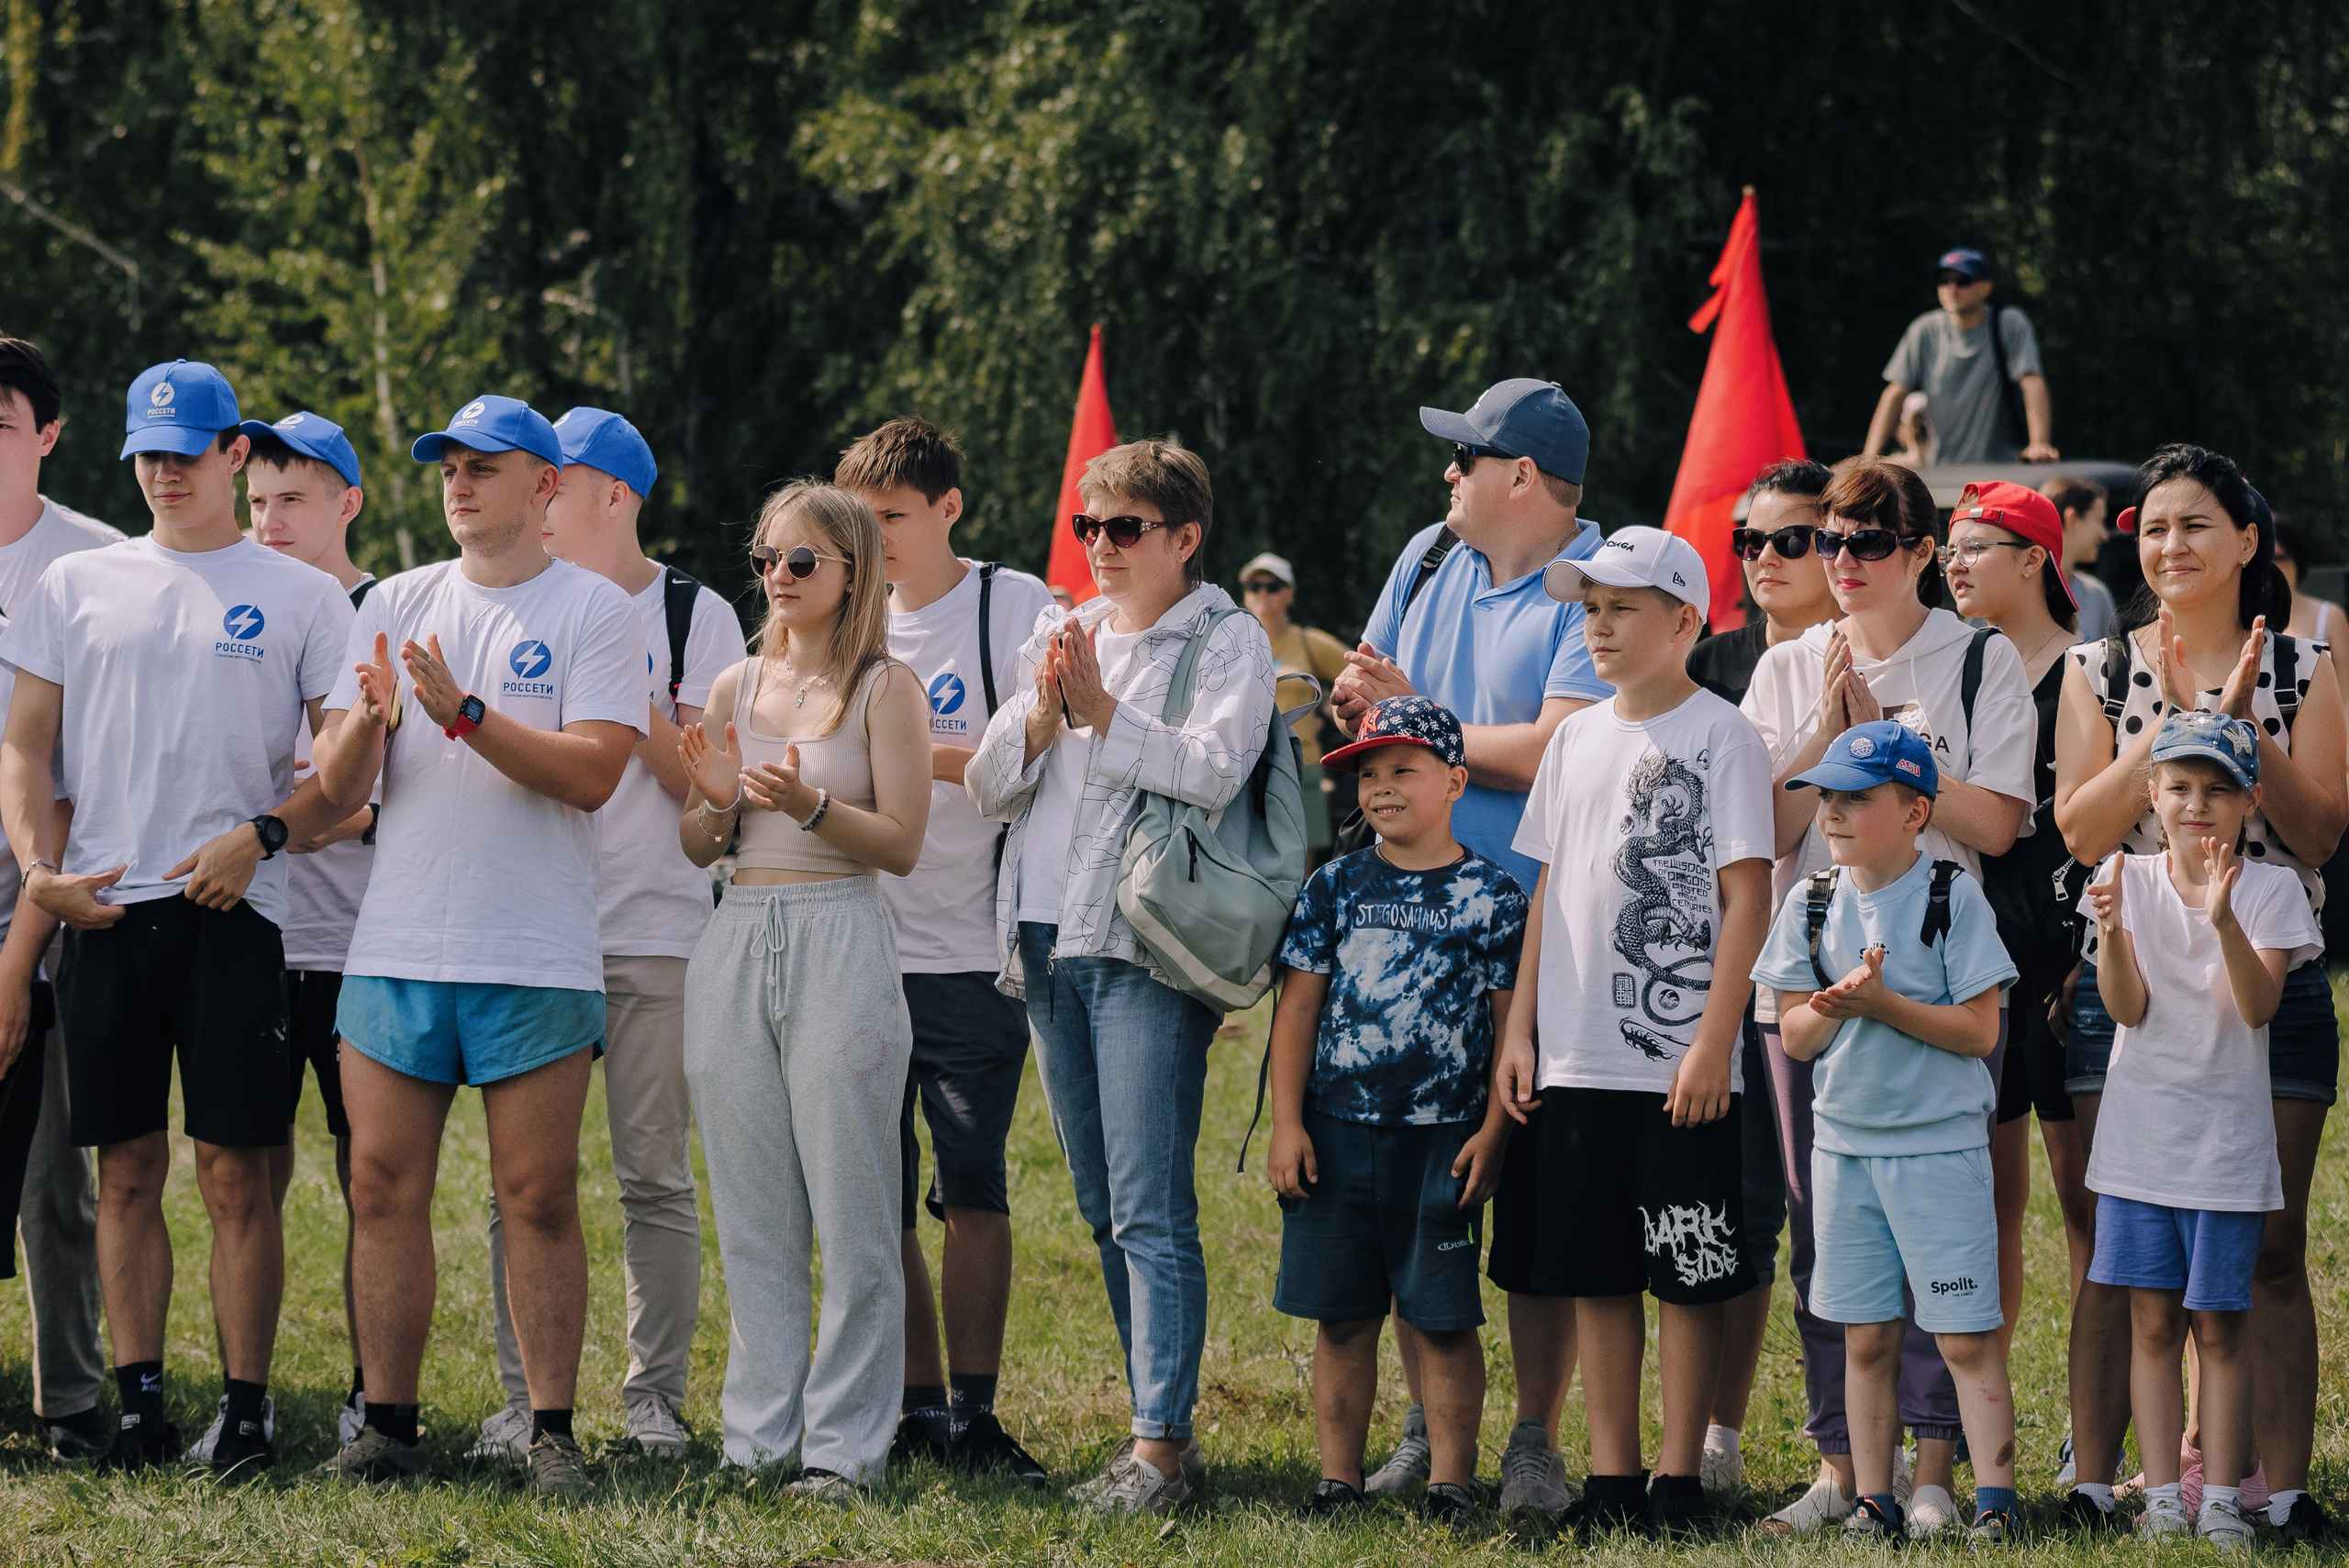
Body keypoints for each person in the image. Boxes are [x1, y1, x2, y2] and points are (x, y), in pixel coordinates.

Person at [0, 360, 355, 1476]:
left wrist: (267, 830)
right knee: (124, 1171)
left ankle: (244, 1412)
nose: (163, 471)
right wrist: (34, 871)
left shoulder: (300, 592)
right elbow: (24, 746)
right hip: (103, 912)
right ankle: (143, 1404)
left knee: (235, 1172)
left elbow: (343, 769)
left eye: (185, 451)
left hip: (236, 911)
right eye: (146, 452)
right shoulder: (79, 583)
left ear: (234, 452)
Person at [306, 395, 647, 1496]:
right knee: (382, 1186)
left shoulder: (595, 610)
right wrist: (365, 722)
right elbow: (341, 795)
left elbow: (593, 772)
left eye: (485, 466)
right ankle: (389, 1427)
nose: (459, 481)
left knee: (537, 1194)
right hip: (398, 943)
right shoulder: (395, 602)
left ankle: (552, 1432)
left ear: (545, 486)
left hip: (533, 950)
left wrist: (461, 712)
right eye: (448, 464)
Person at [967, 440, 1276, 1515]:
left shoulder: (1228, 637)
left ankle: (1158, 1446)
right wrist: (1049, 710)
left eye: (1125, 529)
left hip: (1142, 945)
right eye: (1088, 527)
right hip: (1043, 939)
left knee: (1149, 1202)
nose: (1099, 547)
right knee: (1100, 1203)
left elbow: (1213, 770)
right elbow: (986, 782)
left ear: (1184, 539)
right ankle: (1155, 1431)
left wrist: (1108, 716)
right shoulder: (1065, 633)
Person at [2051, 445, 2343, 1542]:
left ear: (2246, 543)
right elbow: (2080, 829)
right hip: (2127, 976)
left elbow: (2318, 833)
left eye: (2192, 525)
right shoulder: (2095, 667)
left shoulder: (2309, 662)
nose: (2167, 545)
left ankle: (2274, 1487)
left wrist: (2237, 727)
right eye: (2152, 527)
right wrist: (2167, 726)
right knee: (2111, 1237)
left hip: (2265, 975)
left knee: (2266, 1241)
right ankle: (2092, 1481)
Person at [1740, 457, 2036, 1538]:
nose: (1843, 562)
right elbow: (1767, 833)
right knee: (1829, 1234)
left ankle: (1933, 1462)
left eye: (1870, 542)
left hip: (1946, 979)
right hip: (1813, 982)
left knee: (1939, 1226)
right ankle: (1841, 1467)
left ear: (1922, 551)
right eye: (1829, 540)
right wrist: (1826, 738)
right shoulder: (1782, 667)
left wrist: (1892, 748)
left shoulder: (1974, 658)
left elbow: (2000, 822)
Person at [1336, 379, 1608, 1515]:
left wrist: (1418, 713)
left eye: (1466, 458)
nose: (1446, 476)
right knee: (1414, 1187)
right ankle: (1427, 1423)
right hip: (1407, 918)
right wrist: (1373, 701)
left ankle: (1535, 1440)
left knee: (1537, 1207)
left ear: (1525, 480)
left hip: (1543, 929)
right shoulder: (1426, 555)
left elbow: (1558, 746)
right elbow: (1365, 686)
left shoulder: (1593, 583)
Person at [1493, 527, 1774, 1538]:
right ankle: (1610, 1482)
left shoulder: (1723, 735)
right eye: (1588, 608)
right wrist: (1520, 1031)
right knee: (1593, 1271)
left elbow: (1749, 897)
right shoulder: (1572, 738)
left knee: (1685, 1267)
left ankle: (1676, 1482)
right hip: (1573, 1056)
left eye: (1621, 607)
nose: (1598, 627)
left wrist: (1712, 1040)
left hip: (1678, 1064)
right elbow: (1547, 890)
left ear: (1684, 621)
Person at [477, 406, 743, 1462]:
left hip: (654, 928)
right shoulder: (511, 597)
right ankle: (518, 1402)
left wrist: (630, 705)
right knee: (521, 1182)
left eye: (560, 479)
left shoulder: (696, 615)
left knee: (651, 1173)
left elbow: (712, 791)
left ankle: (652, 1402)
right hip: (535, 928)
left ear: (615, 496)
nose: (538, 494)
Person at [675, 481, 930, 1491]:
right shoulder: (736, 684)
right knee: (751, 1204)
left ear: (852, 571)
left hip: (839, 932)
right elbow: (700, 843)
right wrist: (712, 805)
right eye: (767, 559)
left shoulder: (886, 687)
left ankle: (843, 1448)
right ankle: (757, 1438)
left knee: (853, 1203)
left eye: (801, 561)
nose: (777, 577)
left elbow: (903, 844)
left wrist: (815, 801)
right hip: (736, 929)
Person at [832, 417, 1054, 1483]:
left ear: (948, 509)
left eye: (889, 521)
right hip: (854, 949)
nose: (868, 542)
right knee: (873, 1196)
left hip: (971, 950)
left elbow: (1039, 750)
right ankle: (915, 1404)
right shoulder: (832, 610)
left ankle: (975, 1410)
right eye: (854, 523)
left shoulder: (1011, 606)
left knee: (970, 1189)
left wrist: (905, 753)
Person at [1754, 721, 2023, 1545]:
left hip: (1937, 1152)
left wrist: (1882, 1004)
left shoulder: (1950, 895)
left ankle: (1995, 1505)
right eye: (1826, 796)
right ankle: (1876, 1499)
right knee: (1864, 1335)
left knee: (1963, 1336)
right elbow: (1793, 1033)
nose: (1832, 812)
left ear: (1914, 811)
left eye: (1855, 797)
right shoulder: (1810, 901)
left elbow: (1979, 1031)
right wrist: (1833, 1004)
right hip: (1843, 1153)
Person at [1265, 695, 1525, 1534]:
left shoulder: (1491, 895)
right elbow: (1297, 1013)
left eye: (1400, 770)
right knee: (1343, 1317)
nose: (1379, 788)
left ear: (1455, 781)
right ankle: (1337, 1479)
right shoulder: (1334, 886)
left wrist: (1495, 1130)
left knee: (1442, 1318)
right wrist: (1286, 1123)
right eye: (1366, 774)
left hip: (1444, 1140)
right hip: (1338, 1133)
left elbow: (1506, 1027)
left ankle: (1451, 1480)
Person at [2077, 710, 2320, 1548]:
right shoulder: (2123, 878)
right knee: (2151, 1322)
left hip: (2224, 1154)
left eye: (2218, 789)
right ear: (2152, 795)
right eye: (2179, 787)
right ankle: (2160, 1503)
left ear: (2250, 801)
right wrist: (2110, 932)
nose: (2197, 804)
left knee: (2220, 1325)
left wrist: (2221, 919)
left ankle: (2219, 1497)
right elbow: (2128, 1009)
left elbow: (2255, 1008)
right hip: (2141, 1149)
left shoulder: (2271, 891)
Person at [190, 410, 380, 1461]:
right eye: (258, 500)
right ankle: (245, 1395)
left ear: (347, 502)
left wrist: (287, 816)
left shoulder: (377, 615)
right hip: (255, 940)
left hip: (358, 947)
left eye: (293, 500)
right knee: (244, 1175)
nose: (270, 520)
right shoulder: (233, 602)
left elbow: (372, 794)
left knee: (372, 1181)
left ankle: (369, 1385)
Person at [1687, 457, 1835, 1492]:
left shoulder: (1877, 662)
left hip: (1842, 980)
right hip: (1721, 980)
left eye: (1791, 538)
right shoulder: (1710, 664)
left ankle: (1867, 1446)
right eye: (1750, 540)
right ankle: (1714, 1445)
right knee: (1736, 1211)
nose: (1765, 558)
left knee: (1832, 1218)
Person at [1942, 483, 2097, 1363]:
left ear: (2036, 558)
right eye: (1950, 549)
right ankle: (1979, 1403)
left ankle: (2094, 1421)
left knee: (2086, 1207)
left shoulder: (2093, 669)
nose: (1954, 564)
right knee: (1988, 1204)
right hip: (1980, 958)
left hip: (2068, 957)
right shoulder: (1958, 668)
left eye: (1976, 548)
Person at [0, 336, 115, 1463]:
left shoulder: (97, 568)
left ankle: (70, 1400)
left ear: (46, 433)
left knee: (53, 1176)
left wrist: (18, 953)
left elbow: (83, 777)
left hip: (53, 910)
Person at [1863, 248, 2056, 466]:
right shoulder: (1924, 330)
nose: (1951, 289)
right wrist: (1868, 460)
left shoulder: (2008, 323)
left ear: (1986, 287)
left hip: (2000, 468)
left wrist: (2039, 444)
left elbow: (2031, 381)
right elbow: (1895, 393)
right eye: (1943, 281)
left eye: (1963, 280)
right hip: (1940, 470)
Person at [1238, 551, 1349, 862]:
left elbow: (1358, 674)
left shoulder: (1307, 642)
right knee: (1249, 858)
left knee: (1302, 860)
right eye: (1253, 586)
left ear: (1289, 592)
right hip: (1245, 767)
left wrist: (1331, 705)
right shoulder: (1233, 643)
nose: (1262, 593)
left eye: (1272, 586)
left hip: (1302, 766)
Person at [2267, 520, 2349, 713]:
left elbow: (2346, 698)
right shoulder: (2237, 620)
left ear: (2297, 560)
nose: (2271, 567)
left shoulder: (2329, 616)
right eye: (2263, 558)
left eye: (2279, 557)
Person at [2043, 477, 2116, 642]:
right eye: (2100, 520)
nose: (2105, 536)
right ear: (2072, 518)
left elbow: (2111, 664)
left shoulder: (2097, 596)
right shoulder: (2010, 595)